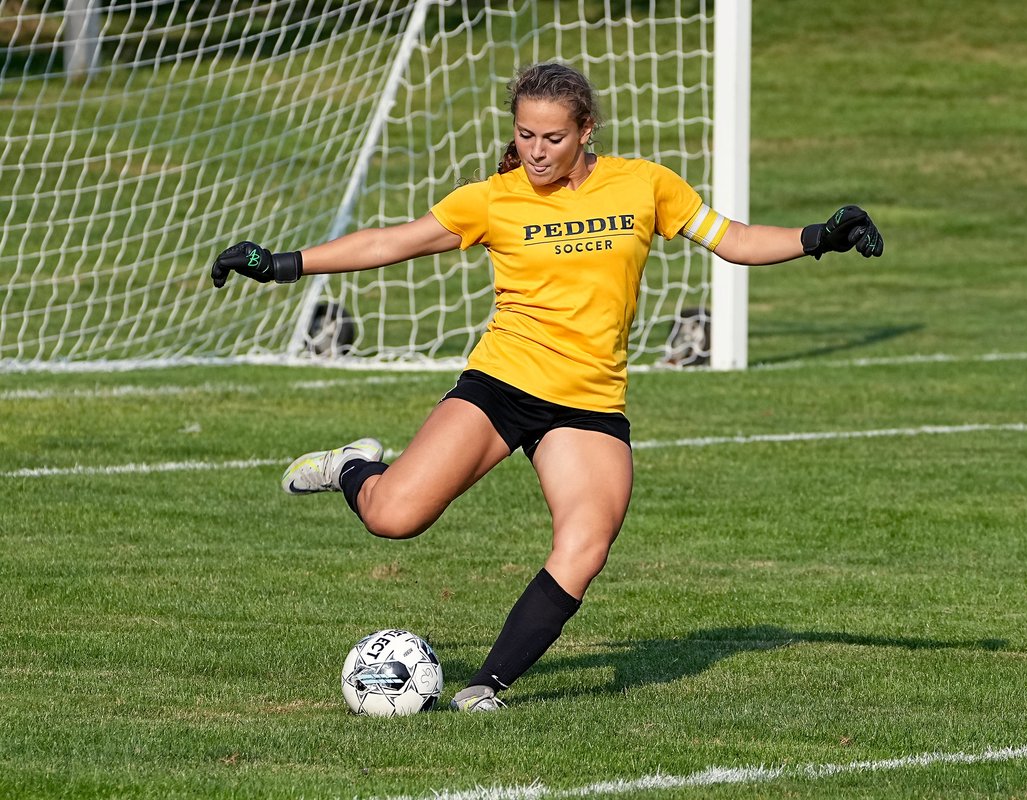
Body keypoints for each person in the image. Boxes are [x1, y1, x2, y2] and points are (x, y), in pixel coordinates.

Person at [211, 61, 883, 712]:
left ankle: (484, 687)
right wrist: (281, 264)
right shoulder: (493, 198)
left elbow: (732, 238)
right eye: (525, 134)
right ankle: (353, 467)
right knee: (394, 518)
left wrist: (820, 236)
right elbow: (392, 243)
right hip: (503, 383)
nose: (536, 151)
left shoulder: (644, 185)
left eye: (553, 138)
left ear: (586, 130)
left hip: (589, 404)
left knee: (586, 545)